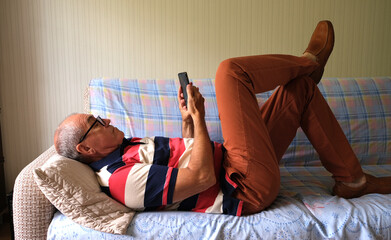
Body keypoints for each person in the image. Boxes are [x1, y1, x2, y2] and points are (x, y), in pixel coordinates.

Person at [54, 21, 391, 216]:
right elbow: (200, 178)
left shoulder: (127, 147)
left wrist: (187, 119)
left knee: (299, 90)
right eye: (96, 122)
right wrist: (200, 120)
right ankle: (310, 62)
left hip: (236, 164)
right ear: (85, 149)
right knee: (231, 72)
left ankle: (353, 180)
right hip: (244, 187)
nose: (106, 119)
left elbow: (185, 157)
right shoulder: (121, 181)